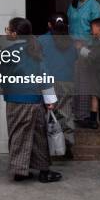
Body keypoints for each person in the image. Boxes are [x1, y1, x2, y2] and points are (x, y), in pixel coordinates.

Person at [1, 18, 61, 183]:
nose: (6, 32)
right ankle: (43, 171)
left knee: (18, 135)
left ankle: (20, 171)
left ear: (14, 33)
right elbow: (44, 75)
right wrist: (49, 99)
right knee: (38, 136)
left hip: (14, 101)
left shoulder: (6, 52)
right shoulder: (35, 49)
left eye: (7, 29)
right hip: (34, 100)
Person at [38, 13, 77, 159]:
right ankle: (67, 147)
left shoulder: (41, 40)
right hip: (67, 82)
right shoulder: (72, 41)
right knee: (66, 115)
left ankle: (48, 147)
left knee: (47, 115)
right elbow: (74, 59)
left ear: (49, 24)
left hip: (48, 82)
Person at [67, 0, 100, 121]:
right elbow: (70, 24)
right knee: (74, 81)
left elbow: (98, 30)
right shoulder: (73, 4)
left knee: (84, 81)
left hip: (86, 47)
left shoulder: (94, 6)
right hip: (72, 47)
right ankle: (76, 114)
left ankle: (86, 115)